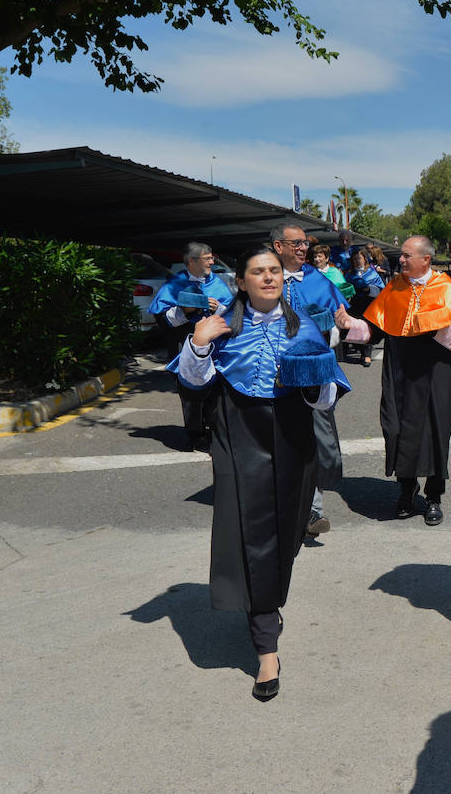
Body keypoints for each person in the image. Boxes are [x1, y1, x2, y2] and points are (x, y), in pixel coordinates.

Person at [168, 245, 350, 701]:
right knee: (250, 531)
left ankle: (267, 596)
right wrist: (199, 342)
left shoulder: (304, 326)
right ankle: (266, 645)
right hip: (239, 434)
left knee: (285, 534)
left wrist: (313, 382)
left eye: (273, 271)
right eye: (257, 272)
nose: (268, 278)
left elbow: (325, 399)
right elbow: (192, 382)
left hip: (292, 437)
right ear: (243, 281)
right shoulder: (222, 324)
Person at [345, 235, 451, 526]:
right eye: (401, 256)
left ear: (425, 259)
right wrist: (349, 324)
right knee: (396, 428)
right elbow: (374, 329)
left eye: (406, 256)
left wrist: (436, 326)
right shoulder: (394, 286)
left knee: (435, 432)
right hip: (399, 370)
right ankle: (406, 487)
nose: (400, 260)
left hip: (434, 373)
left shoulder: (446, 288)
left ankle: (433, 496)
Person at [271, 223, 353, 539]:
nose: (303, 248)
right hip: (272, 375)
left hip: (311, 375)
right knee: (278, 440)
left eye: (305, 243)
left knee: (313, 439)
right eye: (296, 243)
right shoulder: (264, 277)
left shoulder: (319, 280)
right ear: (278, 246)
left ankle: (312, 509)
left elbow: (338, 327)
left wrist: (332, 331)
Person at [150, 241, 234, 449]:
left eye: (212, 257)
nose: (212, 262)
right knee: (190, 393)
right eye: (207, 258)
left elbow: (232, 313)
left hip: (216, 348)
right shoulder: (173, 285)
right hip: (184, 346)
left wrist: (217, 307)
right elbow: (163, 321)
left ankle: (215, 430)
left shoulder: (217, 282)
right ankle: (194, 432)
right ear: (191, 261)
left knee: (215, 391)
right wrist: (187, 310)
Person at [343, 249, 383, 367]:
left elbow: (381, 289)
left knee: (368, 327)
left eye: (359, 258)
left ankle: (366, 355)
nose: (357, 261)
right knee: (356, 327)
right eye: (354, 259)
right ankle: (358, 350)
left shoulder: (372, 273)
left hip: (369, 303)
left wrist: (368, 289)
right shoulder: (349, 274)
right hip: (354, 304)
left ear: (365, 259)